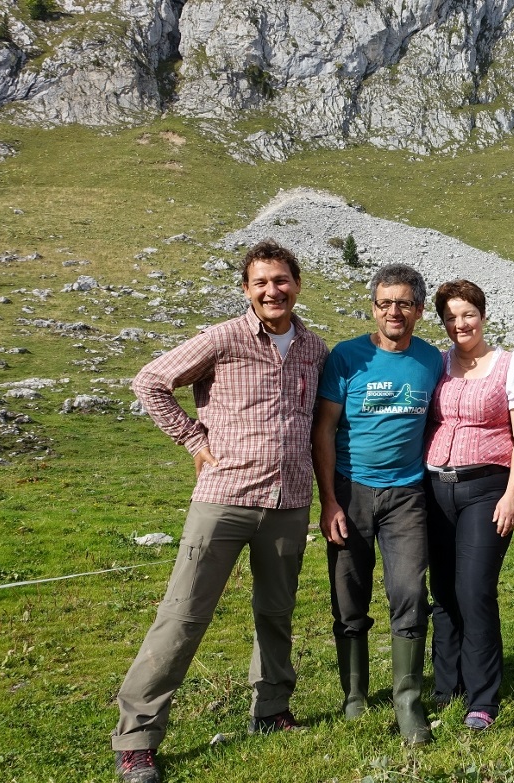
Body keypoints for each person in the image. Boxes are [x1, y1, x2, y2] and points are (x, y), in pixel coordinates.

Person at [111, 240, 328, 783]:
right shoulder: (223, 338)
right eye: (260, 283)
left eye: (280, 280)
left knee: (276, 614)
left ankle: (271, 709)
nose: (271, 291)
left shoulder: (314, 349)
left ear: (297, 285)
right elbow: (150, 381)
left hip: (287, 503)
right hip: (224, 498)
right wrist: (192, 441)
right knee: (183, 616)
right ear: (246, 290)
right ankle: (137, 738)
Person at [312, 263, 443, 746]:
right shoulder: (347, 357)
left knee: (409, 592)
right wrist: (329, 501)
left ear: (419, 311)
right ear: (373, 307)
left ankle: (408, 701)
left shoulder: (432, 360)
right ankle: (354, 695)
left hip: (407, 494)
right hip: (350, 491)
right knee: (349, 598)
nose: (394, 311)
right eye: (385, 303)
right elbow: (323, 429)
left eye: (404, 303)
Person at [423, 279, 514, 732]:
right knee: (444, 593)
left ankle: (483, 696)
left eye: (467, 314)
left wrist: (513, 493)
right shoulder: (437, 363)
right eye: (450, 317)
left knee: (474, 590)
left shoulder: (510, 363)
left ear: (482, 315)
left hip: (488, 487)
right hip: (434, 486)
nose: (459, 324)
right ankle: (448, 687)